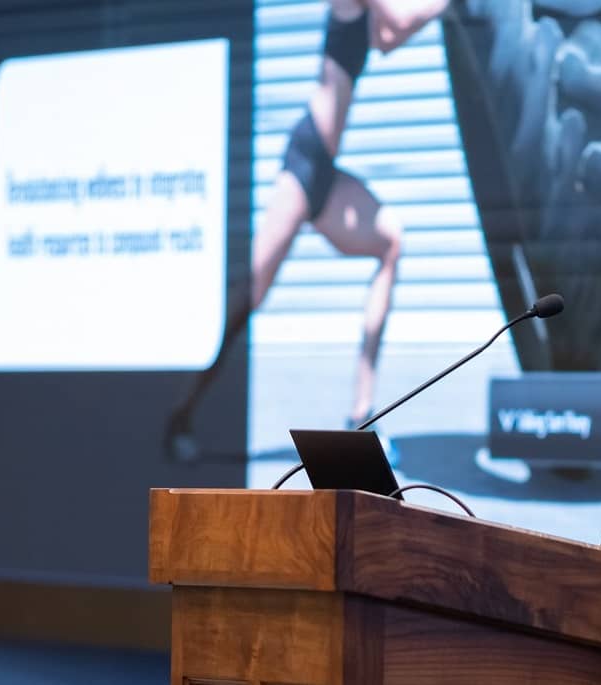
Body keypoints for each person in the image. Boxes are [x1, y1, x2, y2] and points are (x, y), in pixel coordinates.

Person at [166, 0, 449, 461]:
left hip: (327, 173)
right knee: (249, 296)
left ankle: (361, 413)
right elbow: (399, 21)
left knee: (391, 242)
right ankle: (182, 411)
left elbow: (388, 38)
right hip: (305, 159)